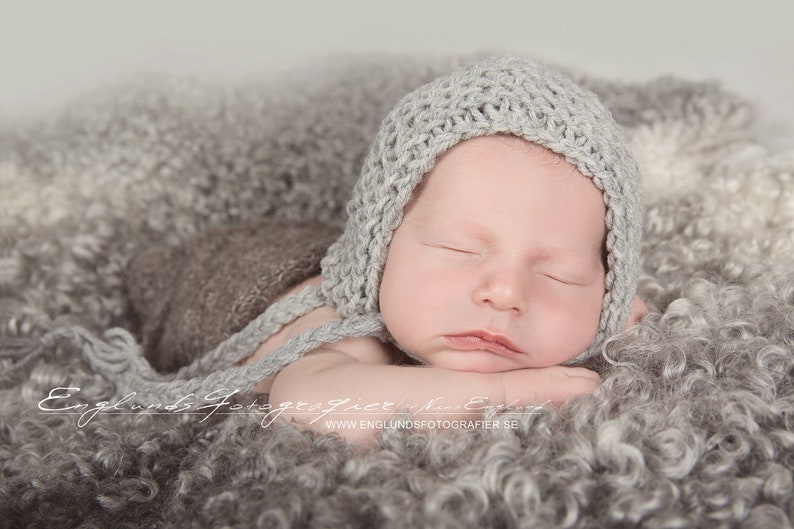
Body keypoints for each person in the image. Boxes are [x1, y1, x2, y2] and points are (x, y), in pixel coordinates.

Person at [73, 55, 647, 444]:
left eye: (562, 274)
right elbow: (307, 404)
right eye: (458, 248)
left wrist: (603, 309)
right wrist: (499, 391)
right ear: (381, 247)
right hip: (230, 277)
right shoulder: (350, 340)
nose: (505, 293)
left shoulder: (569, 298)